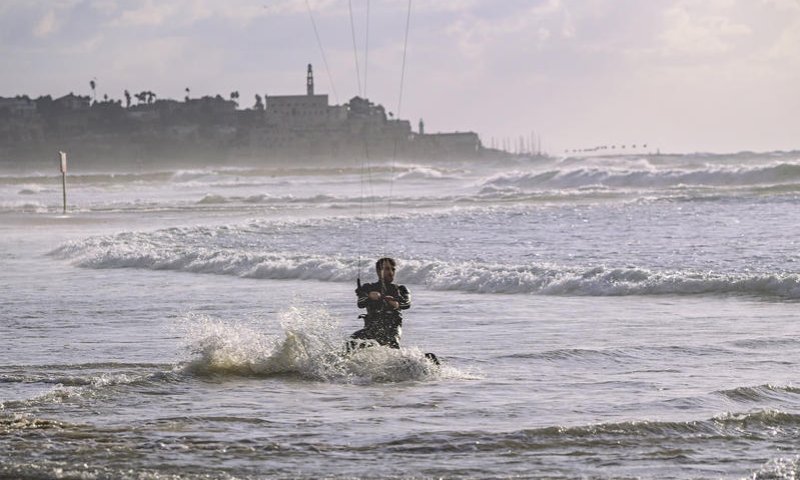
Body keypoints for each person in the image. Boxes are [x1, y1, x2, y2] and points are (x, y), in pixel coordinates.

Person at [349, 257, 410, 350]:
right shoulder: (368, 287)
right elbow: (360, 303)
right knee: (351, 341)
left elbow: (406, 304)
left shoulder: (401, 289)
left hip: (392, 328)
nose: (391, 272)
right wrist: (370, 297)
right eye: (387, 269)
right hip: (372, 327)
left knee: (393, 343)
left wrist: (396, 304)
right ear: (378, 271)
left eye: (393, 269)